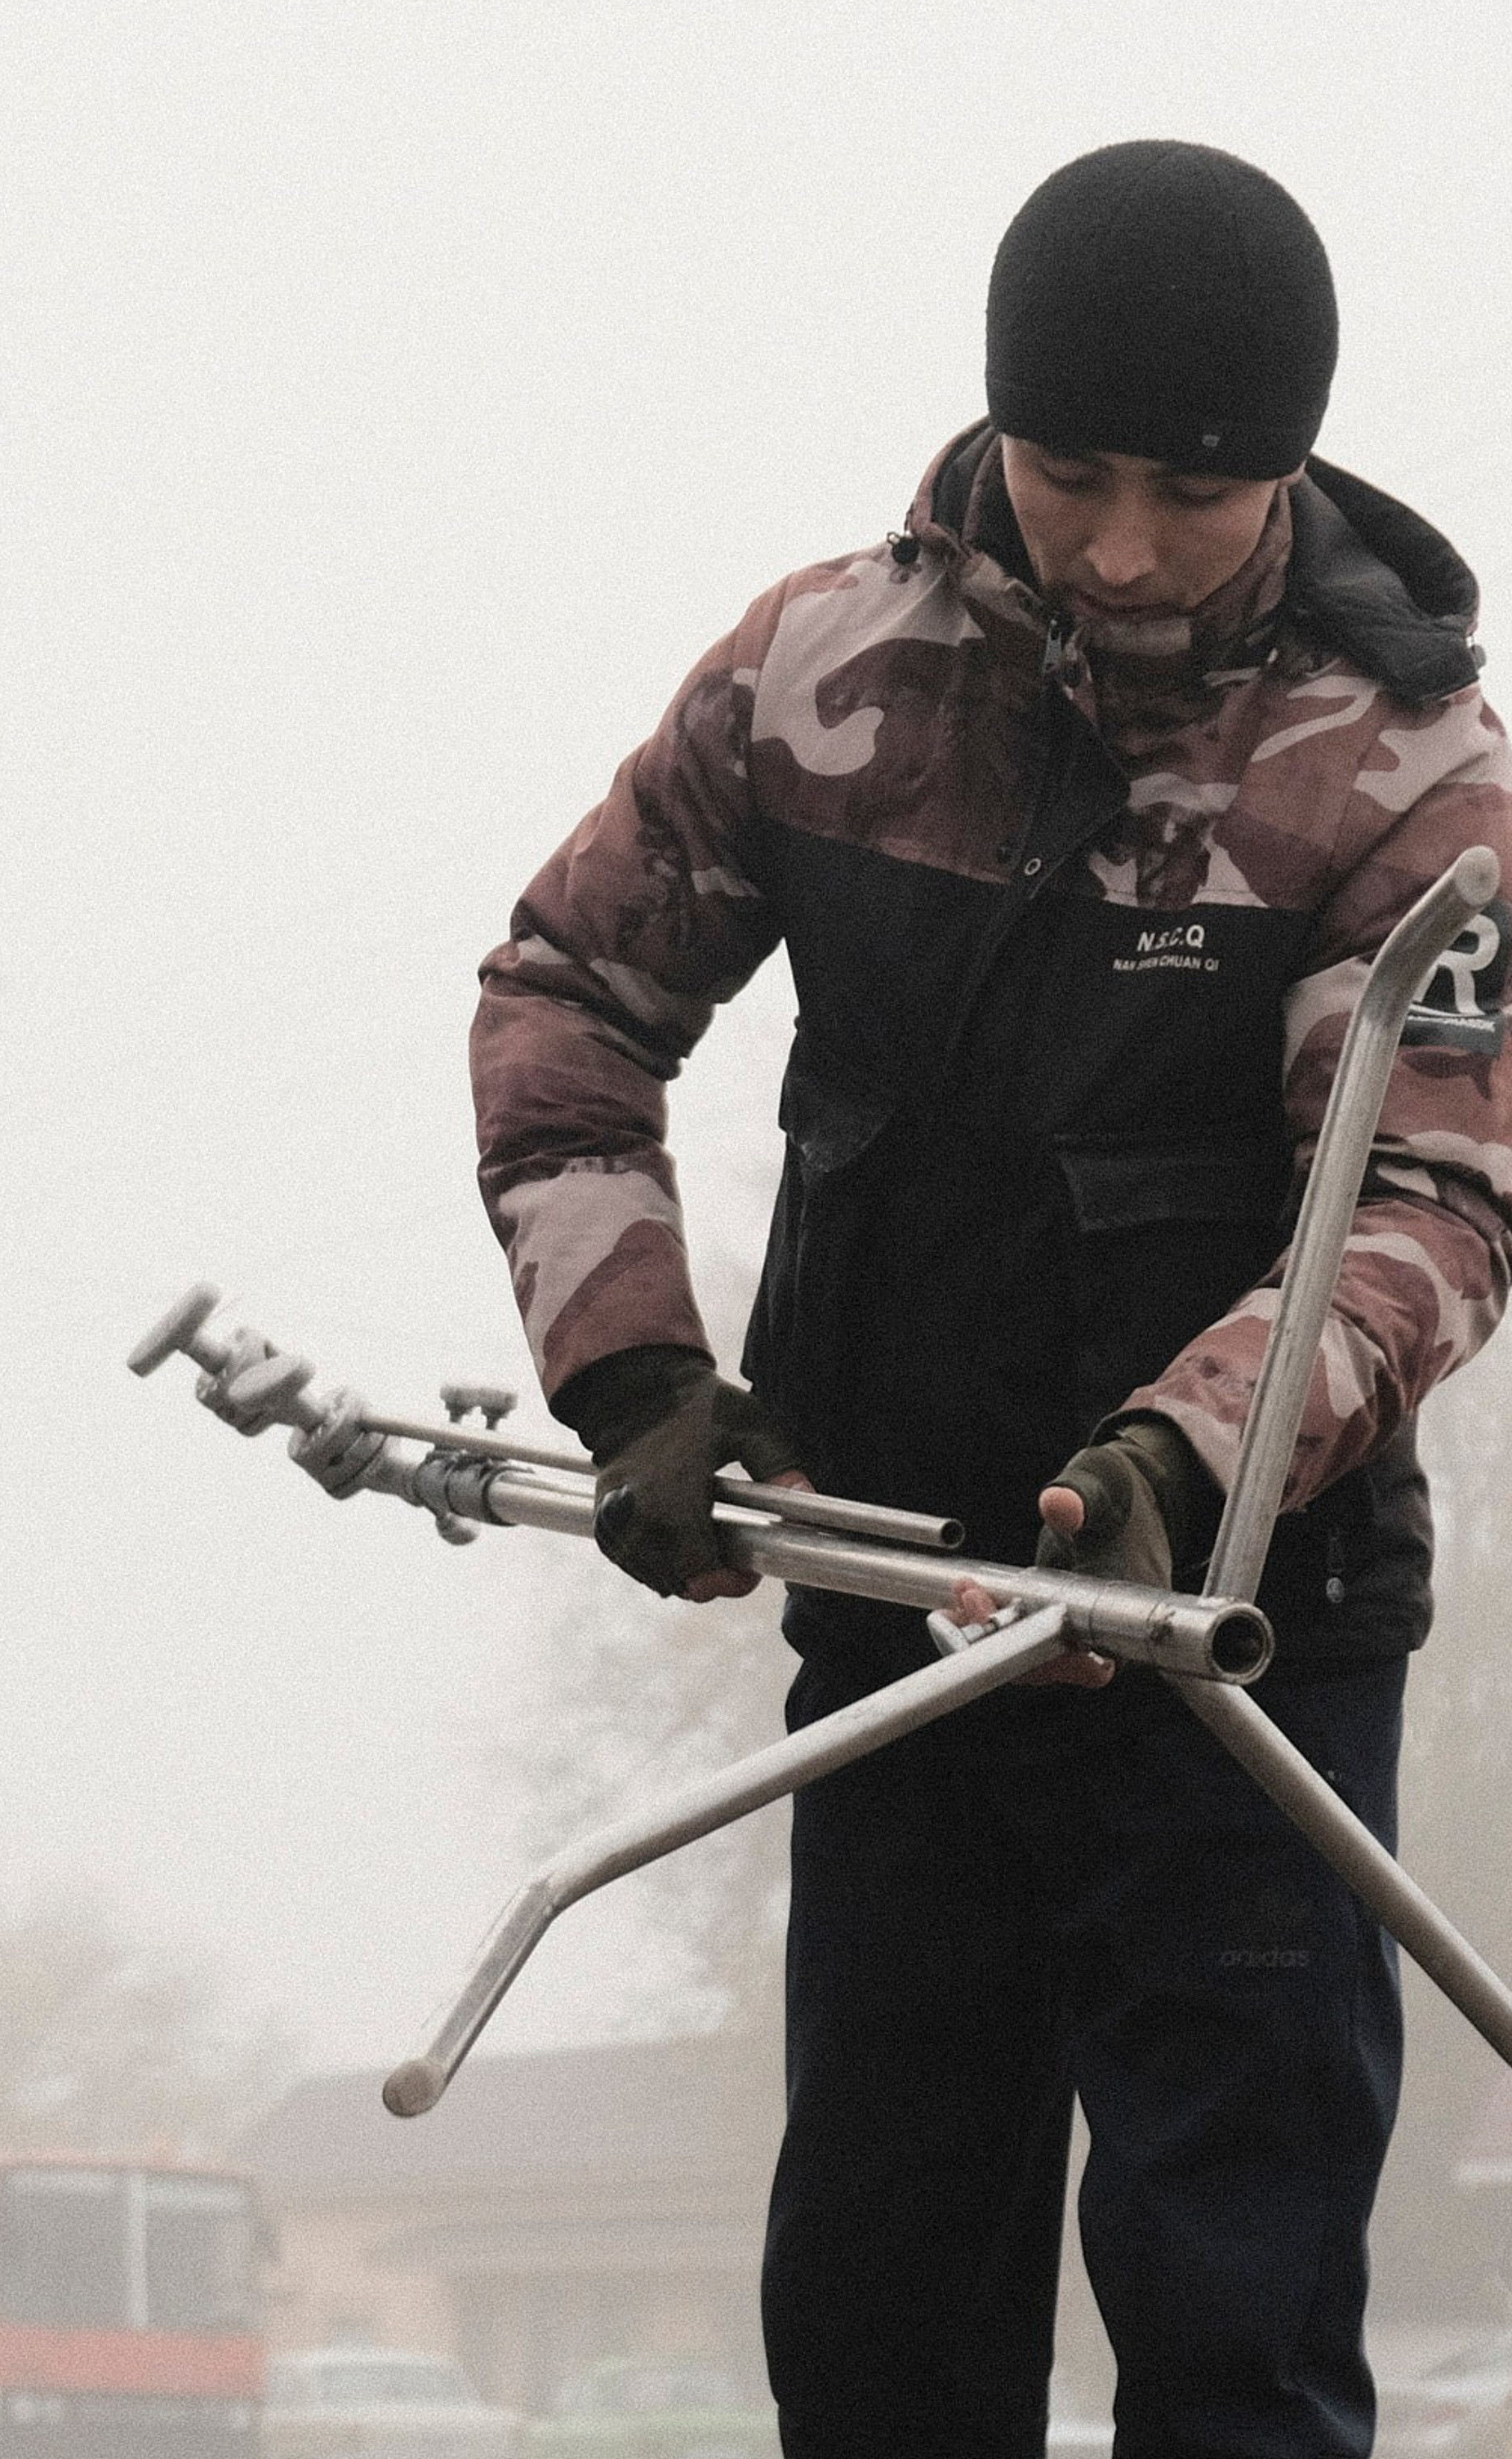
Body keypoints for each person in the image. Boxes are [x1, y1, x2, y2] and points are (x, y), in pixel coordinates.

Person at [468, 140, 1512, 2459]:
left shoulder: (1413, 777)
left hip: (1241, 1653)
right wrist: (633, 1366)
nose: (1123, 546)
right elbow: (566, 1000)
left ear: (1291, 467)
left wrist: (1192, 1457)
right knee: (879, 2323)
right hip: (901, 1628)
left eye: (1192, 491)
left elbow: (1433, 1202)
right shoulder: (818, 676)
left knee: (1235, 2340)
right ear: (994, 430)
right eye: (1071, 475)